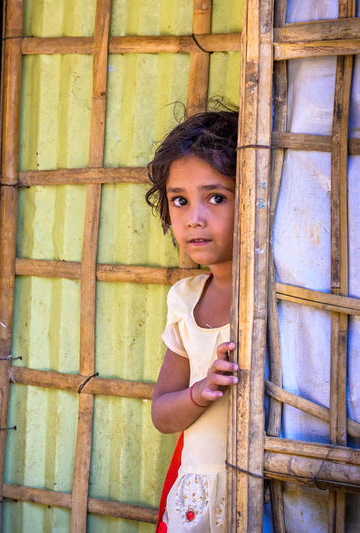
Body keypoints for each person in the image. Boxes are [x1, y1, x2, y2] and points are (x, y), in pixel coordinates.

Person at [145, 108, 240, 532]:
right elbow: (163, 415)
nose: (194, 218)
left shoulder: (283, 300)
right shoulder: (185, 299)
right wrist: (200, 392)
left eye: (216, 197)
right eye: (179, 200)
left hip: (262, 491)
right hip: (197, 502)